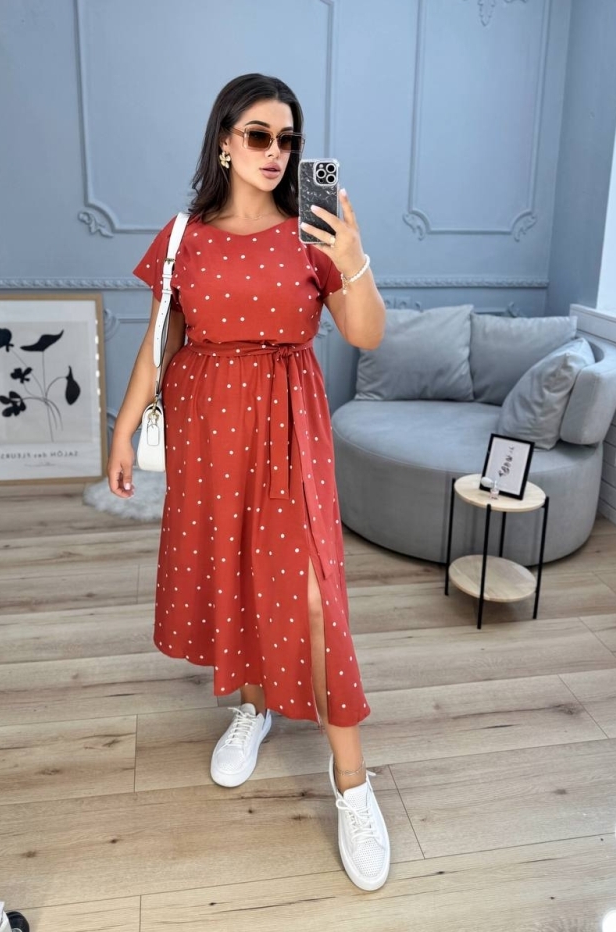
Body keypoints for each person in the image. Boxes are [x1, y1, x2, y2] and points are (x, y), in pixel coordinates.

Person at [108, 73, 389, 891]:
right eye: (259, 135)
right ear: (225, 141)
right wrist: (124, 428)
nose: (276, 152)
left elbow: (367, 334)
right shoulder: (183, 237)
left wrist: (354, 259)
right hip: (204, 425)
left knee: (313, 596)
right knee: (233, 572)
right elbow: (159, 342)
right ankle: (254, 706)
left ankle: (353, 785)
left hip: (289, 426)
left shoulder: (315, 234)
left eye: (288, 138)